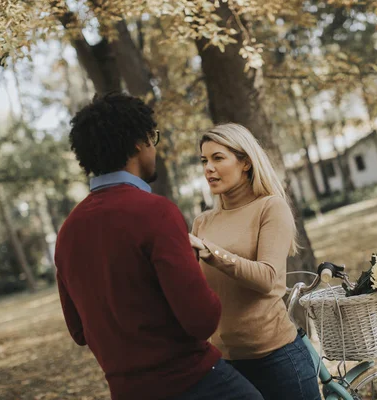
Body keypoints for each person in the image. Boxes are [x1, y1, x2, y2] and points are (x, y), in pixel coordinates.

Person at [54, 93, 263, 400]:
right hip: (195, 383)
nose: (155, 148)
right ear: (139, 143)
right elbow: (202, 319)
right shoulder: (155, 213)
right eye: (153, 138)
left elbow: (78, 331)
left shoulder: (68, 232)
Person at [189, 123, 321, 400]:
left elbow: (267, 278)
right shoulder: (202, 222)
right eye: (204, 160)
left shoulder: (270, 207)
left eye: (218, 158)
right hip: (225, 365)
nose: (208, 168)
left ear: (246, 162)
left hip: (277, 359)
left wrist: (211, 252)